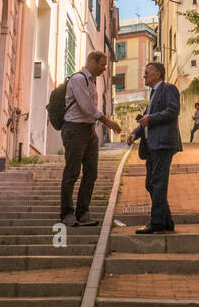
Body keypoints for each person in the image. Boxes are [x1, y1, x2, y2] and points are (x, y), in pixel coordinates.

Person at [60, 51, 122, 227]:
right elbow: (87, 107)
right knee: (72, 172)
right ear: (92, 62)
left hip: (89, 131)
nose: (104, 69)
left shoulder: (92, 82)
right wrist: (108, 122)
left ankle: (83, 212)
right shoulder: (78, 79)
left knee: (91, 173)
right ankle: (66, 213)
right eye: (102, 65)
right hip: (74, 129)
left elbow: (91, 110)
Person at [126, 61, 181, 233]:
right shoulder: (153, 94)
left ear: (158, 74)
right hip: (151, 146)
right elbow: (147, 119)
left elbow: (173, 111)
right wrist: (136, 132)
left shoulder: (168, 89)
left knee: (157, 182)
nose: (144, 76)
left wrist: (151, 118)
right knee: (151, 184)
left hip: (163, 144)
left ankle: (156, 222)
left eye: (147, 72)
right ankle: (166, 220)